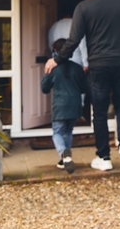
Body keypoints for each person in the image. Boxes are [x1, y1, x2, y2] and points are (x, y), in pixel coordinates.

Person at [44, 0, 120, 171]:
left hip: (99, 65)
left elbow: (73, 40)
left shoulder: (84, 7)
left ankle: (104, 157)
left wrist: (57, 59)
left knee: (100, 111)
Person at [41, 38, 87, 174]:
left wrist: (46, 74)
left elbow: (44, 88)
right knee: (68, 131)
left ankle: (63, 152)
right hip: (75, 105)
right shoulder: (77, 68)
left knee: (57, 132)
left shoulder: (53, 69)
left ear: (55, 51)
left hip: (60, 106)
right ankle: (64, 160)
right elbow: (84, 88)